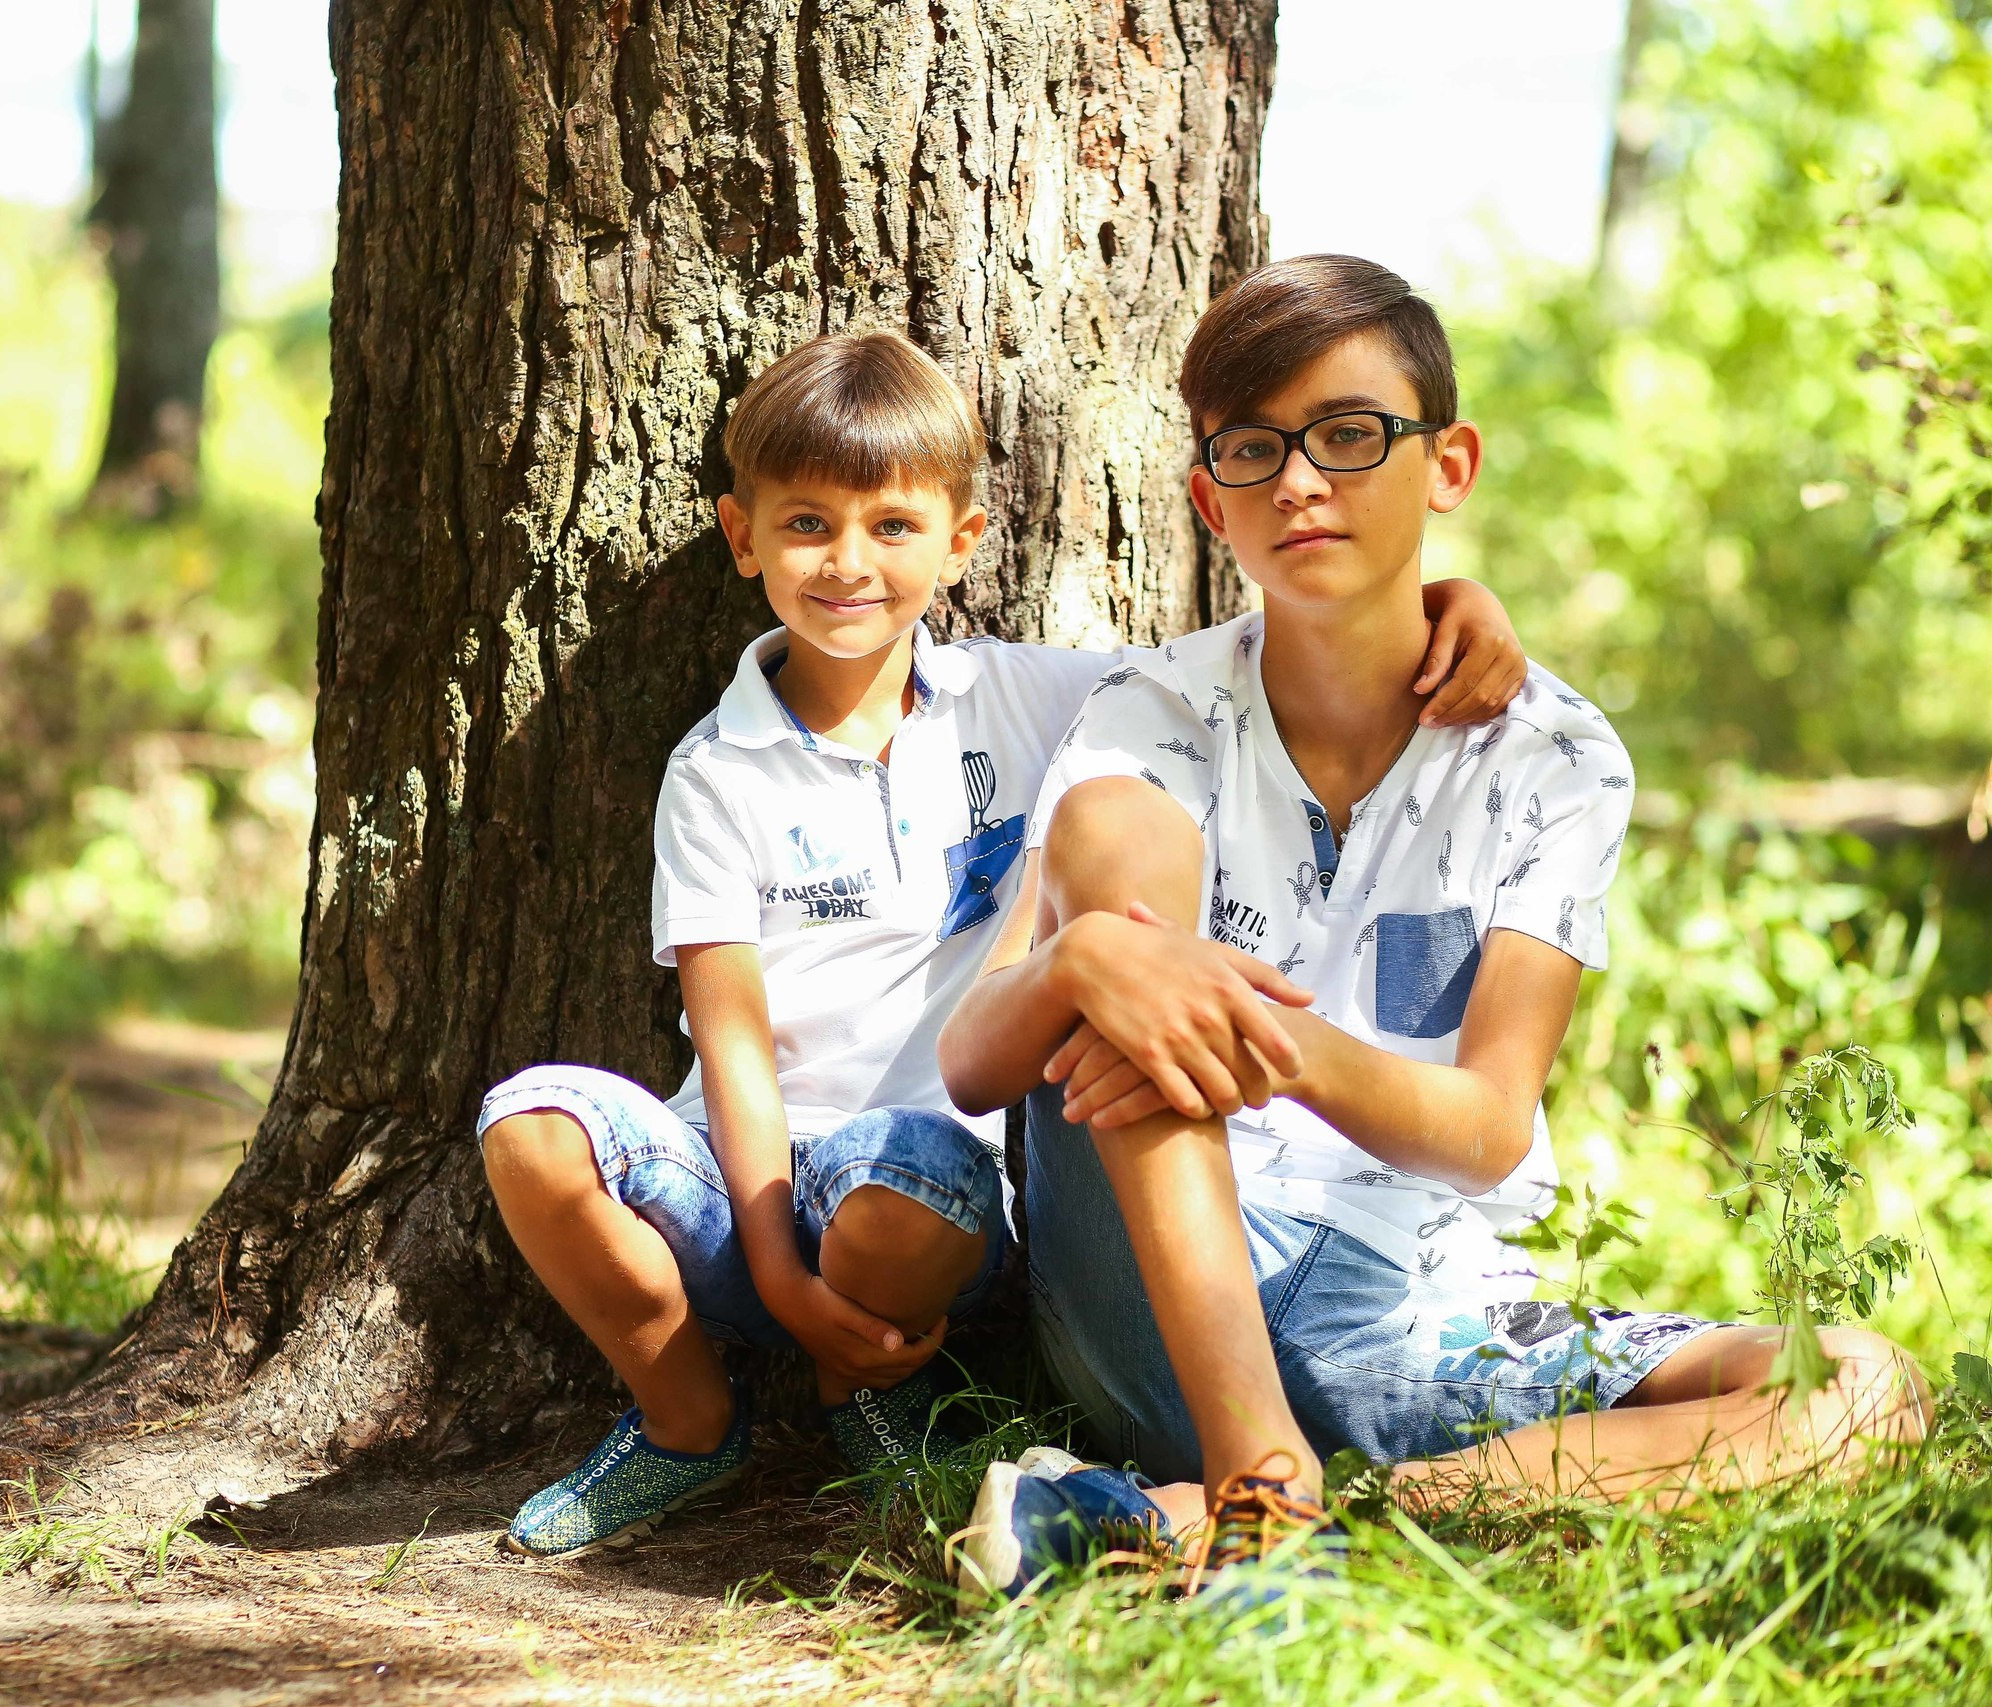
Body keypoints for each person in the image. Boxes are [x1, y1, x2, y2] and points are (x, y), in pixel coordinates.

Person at [939, 255, 1933, 1603]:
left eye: (1350, 436)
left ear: (1447, 463)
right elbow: (975, 1065)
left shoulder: (1557, 757)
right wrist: (1086, 958)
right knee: (1129, 937)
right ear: (1206, 495)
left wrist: (1265, 1044)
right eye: (1254, 448)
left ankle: (1248, 1513)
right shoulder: (1148, 712)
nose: (1301, 481)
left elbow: (1485, 1122)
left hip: (1425, 1300)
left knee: (1866, 1390)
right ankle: (1256, 1474)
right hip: (1167, 1276)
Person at [477, 328, 1531, 1559]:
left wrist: (1457, 600)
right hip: (738, 1190)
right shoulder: (716, 770)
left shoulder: (1033, 698)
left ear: (962, 542)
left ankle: (866, 1388)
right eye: (806, 526)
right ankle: (686, 1420)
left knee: (903, 1177)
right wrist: (774, 1276)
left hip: (930, 1200)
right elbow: (737, 1046)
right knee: (530, 1127)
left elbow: (1269, 662)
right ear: (741, 535)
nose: (847, 564)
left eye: (891, 528)